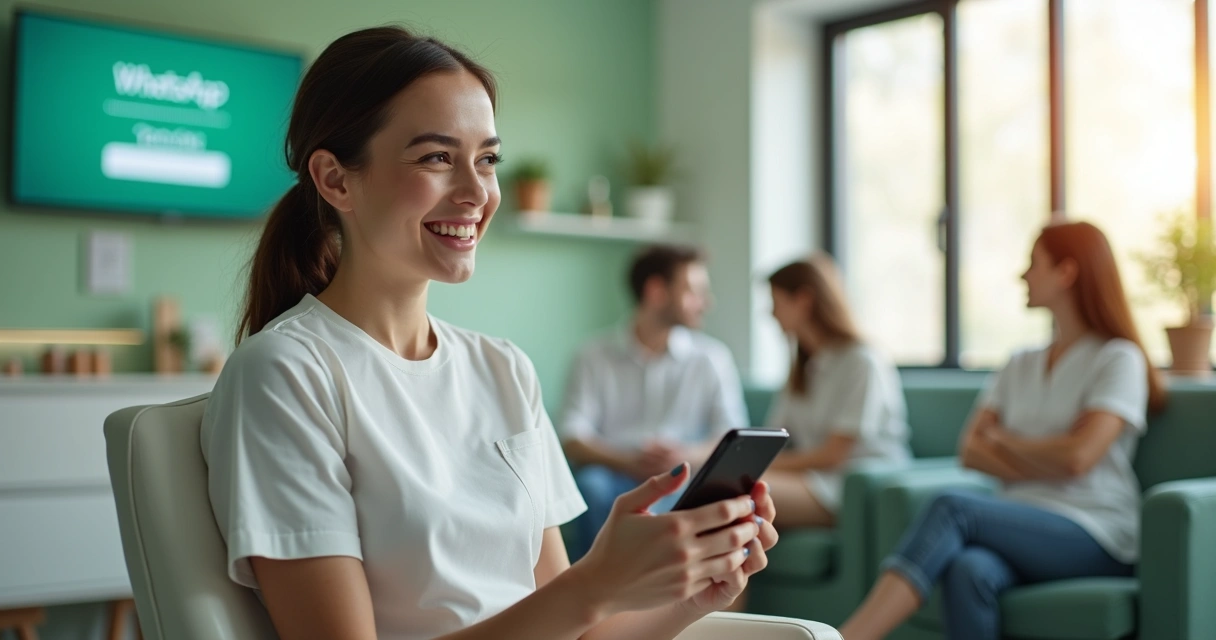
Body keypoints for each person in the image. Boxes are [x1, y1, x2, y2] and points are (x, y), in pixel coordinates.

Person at [200, 26, 777, 640]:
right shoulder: (287, 374)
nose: (478, 193)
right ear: (336, 179)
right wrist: (596, 584)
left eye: (488, 159)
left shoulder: (503, 368)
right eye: (436, 157)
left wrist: (697, 596)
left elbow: (574, 631)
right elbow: (573, 605)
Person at [838, 221, 1166, 640]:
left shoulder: (1118, 359)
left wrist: (1007, 442)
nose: (1023, 275)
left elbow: (1080, 458)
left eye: (1034, 264)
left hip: (1096, 531)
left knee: (953, 507)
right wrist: (1051, 454)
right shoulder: (1020, 362)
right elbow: (970, 451)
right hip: (1019, 522)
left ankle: (847, 638)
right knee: (968, 569)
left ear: (1066, 272)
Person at [560, 245, 750, 560]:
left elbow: (731, 433)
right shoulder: (592, 356)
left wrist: (684, 455)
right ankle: (600, 590)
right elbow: (573, 435)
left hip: (684, 472)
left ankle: (646, 594)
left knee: (683, 493)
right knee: (590, 487)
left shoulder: (712, 359)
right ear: (656, 291)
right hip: (613, 472)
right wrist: (627, 461)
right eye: (694, 291)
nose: (707, 302)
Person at [762, 256, 911, 528]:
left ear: (803, 300)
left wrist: (762, 467)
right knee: (718, 488)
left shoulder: (862, 362)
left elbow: (834, 455)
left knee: (743, 494)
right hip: (812, 478)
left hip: (851, 485)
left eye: (776, 302)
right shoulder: (803, 368)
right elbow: (773, 436)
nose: (770, 313)